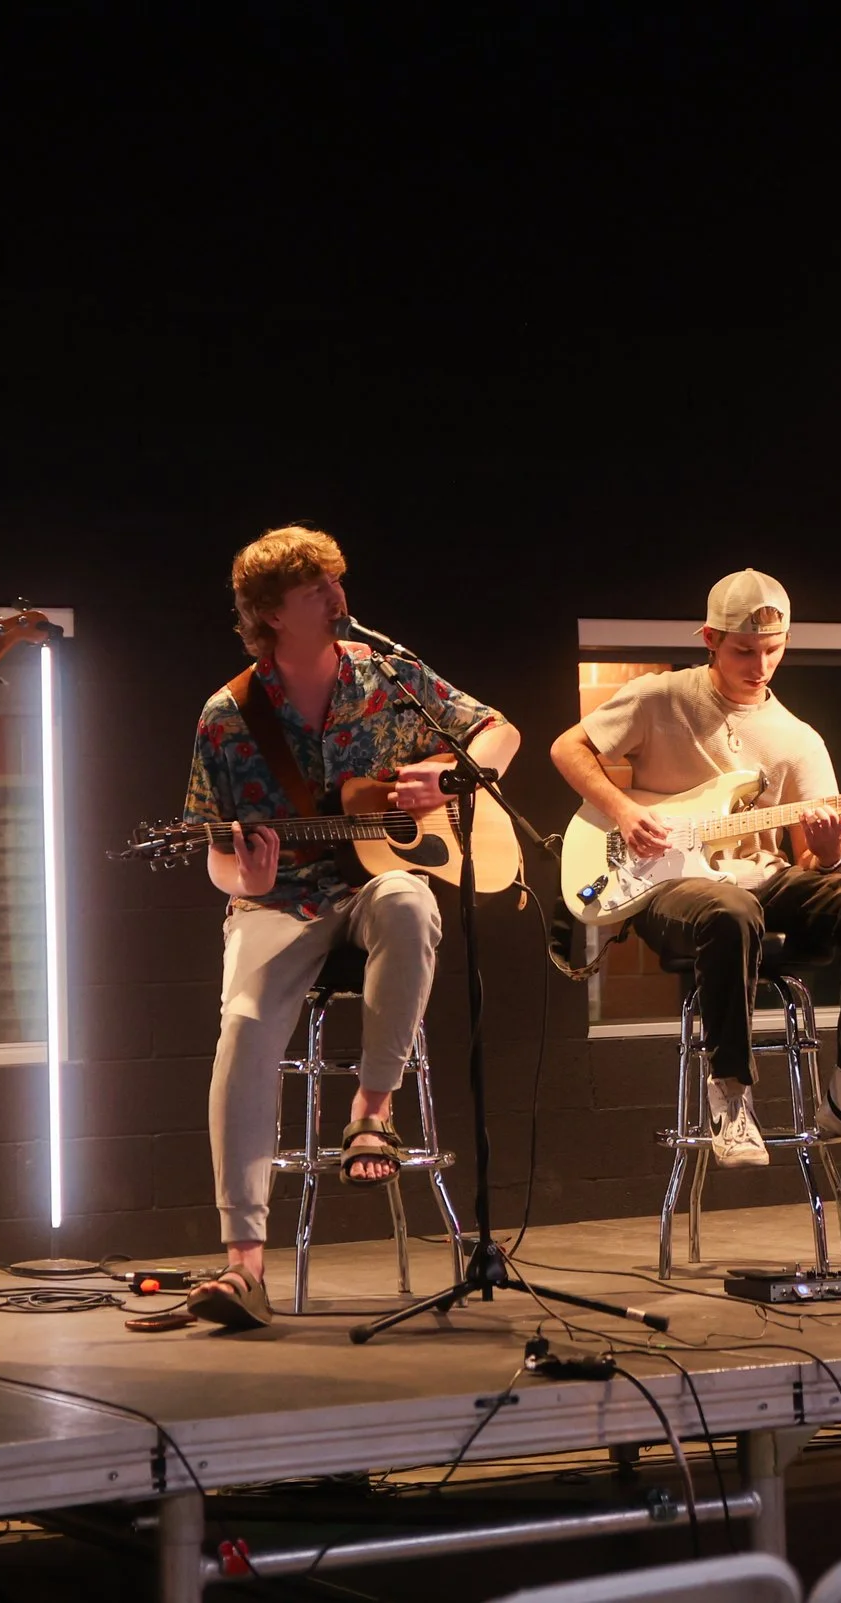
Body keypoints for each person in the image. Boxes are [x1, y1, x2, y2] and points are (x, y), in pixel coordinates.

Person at [178, 526, 519, 1329]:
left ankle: (372, 1113)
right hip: (279, 900)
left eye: (337, 580)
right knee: (245, 1026)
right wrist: (244, 874)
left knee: (410, 900)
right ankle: (244, 1266)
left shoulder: (388, 674)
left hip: (376, 887)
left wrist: (450, 774)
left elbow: (497, 728)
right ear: (269, 615)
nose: (338, 598)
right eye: (315, 591)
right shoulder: (227, 716)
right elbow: (214, 853)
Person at [548, 568, 841, 1168]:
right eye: (744, 650)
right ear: (709, 640)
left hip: (761, 877)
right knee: (730, 909)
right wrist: (622, 811)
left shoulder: (798, 739)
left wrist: (830, 856)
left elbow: (807, 859)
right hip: (670, 882)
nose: (759, 664)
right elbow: (568, 748)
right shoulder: (659, 697)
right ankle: (731, 1095)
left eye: (772, 651)